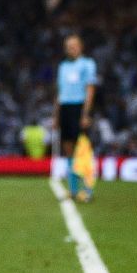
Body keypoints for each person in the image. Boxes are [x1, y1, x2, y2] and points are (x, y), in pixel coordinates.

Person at [53, 34, 97, 200]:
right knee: (68, 148)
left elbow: (90, 89)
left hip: (79, 107)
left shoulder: (87, 64)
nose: (70, 48)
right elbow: (59, 92)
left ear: (81, 46)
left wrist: (86, 113)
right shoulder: (63, 66)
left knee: (83, 149)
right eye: (68, 46)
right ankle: (72, 189)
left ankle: (87, 189)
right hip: (65, 107)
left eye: (73, 45)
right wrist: (56, 116)